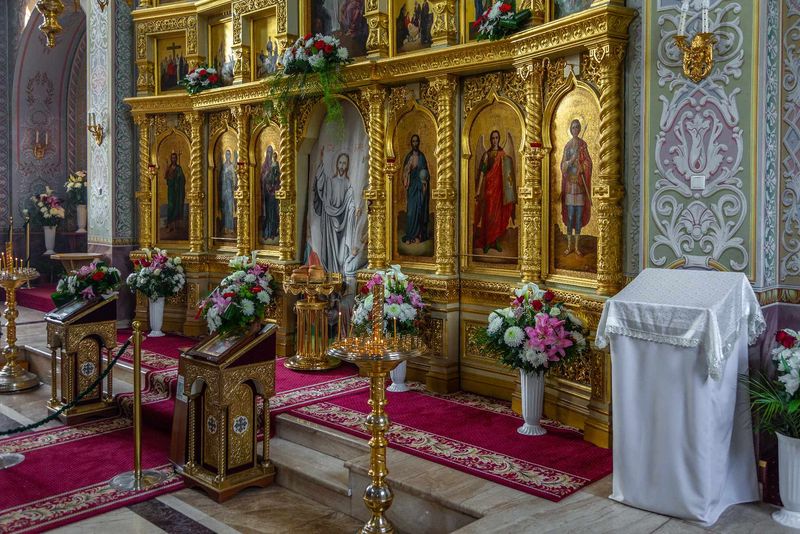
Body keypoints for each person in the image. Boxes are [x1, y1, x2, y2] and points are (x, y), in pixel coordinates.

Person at [312, 147, 358, 274]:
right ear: (337, 164)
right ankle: (331, 281)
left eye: (344, 163)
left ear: (347, 166)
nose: (342, 166)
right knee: (331, 255)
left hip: (343, 224)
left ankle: (341, 281)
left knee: (340, 256)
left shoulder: (348, 183)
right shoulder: (330, 182)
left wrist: (354, 209)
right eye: (340, 162)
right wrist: (321, 161)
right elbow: (321, 190)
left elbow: (350, 202)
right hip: (330, 224)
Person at [474, 130, 515, 254]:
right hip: (488, 190)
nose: (495, 140)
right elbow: (482, 172)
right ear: (490, 140)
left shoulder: (503, 154)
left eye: (497, 138)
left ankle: (495, 241)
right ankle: (487, 242)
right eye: (493, 138)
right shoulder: (487, 155)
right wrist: (477, 190)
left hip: (499, 191)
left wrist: (509, 193)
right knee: (488, 216)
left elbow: (508, 175)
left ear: (499, 139)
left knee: (497, 216)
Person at [560, 119, 592, 256]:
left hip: (579, 186)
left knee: (578, 217)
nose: (575, 129)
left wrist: (582, 167)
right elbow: (562, 166)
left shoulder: (583, 145)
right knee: (570, 216)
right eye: (573, 127)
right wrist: (571, 161)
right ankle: (569, 246)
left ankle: (577, 247)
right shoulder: (567, 146)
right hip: (569, 186)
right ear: (570, 129)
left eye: (577, 127)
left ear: (579, 129)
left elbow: (589, 163)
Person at [401, 134, 430, 244]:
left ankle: (418, 236)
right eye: (413, 141)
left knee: (419, 211)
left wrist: (424, 181)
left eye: (417, 141)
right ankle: (410, 236)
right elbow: (404, 174)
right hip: (412, 186)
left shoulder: (422, 156)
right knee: (411, 212)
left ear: (419, 143)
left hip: (420, 188)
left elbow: (425, 173)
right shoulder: (409, 157)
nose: (415, 143)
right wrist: (407, 170)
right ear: (411, 143)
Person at [261, 145, 281, 241]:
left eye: (271, 152)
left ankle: (273, 232)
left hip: (273, 192)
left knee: (274, 212)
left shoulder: (275, 164)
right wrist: (266, 174)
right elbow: (262, 179)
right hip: (267, 193)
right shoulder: (264, 165)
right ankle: (267, 232)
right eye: (268, 152)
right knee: (268, 213)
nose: (269, 154)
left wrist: (274, 182)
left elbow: (278, 178)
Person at [164, 152, 185, 233]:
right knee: (171, 207)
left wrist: (179, 179)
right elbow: (166, 177)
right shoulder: (169, 168)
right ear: (171, 159)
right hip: (171, 191)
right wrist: (168, 171)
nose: (174, 159)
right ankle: (170, 225)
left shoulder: (179, 168)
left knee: (177, 206)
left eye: (175, 158)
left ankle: (175, 226)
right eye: (172, 158)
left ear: (176, 159)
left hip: (177, 191)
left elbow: (182, 179)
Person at [220, 149, 236, 235]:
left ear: (230, 156)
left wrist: (229, 176)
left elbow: (234, 180)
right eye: (226, 154)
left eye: (229, 154)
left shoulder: (232, 166)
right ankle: (225, 227)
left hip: (230, 190)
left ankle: (231, 227)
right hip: (224, 190)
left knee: (230, 209)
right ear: (225, 156)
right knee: (225, 209)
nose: (228, 156)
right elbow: (220, 179)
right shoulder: (223, 166)